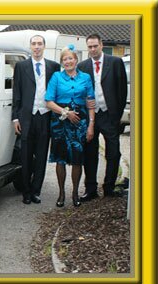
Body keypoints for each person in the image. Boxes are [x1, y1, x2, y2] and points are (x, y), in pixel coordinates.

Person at [78, 33, 128, 201]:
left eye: (95, 46)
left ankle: (109, 188)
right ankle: (90, 189)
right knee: (90, 153)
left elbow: (122, 90)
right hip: (91, 117)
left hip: (109, 115)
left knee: (113, 153)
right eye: (90, 47)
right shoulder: (83, 66)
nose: (92, 49)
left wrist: (116, 115)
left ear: (101, 45)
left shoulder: (115, 63)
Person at [45, 45, 95, 207]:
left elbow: (90, 102)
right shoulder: (56, 77)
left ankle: (75, 193)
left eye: (70, 58)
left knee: (77, 159)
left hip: (80, 123)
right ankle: (61, 193)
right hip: (60, 123)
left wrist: (91, 125)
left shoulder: (86, 77)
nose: (68, 62)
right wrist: (66, 113)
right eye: (65, 59)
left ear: (76, 60)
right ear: (62, 62)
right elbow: (48, 102)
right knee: (60, 159)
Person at [12, 35, 60, 205]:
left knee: (41, 157)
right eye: (34, 44)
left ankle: (36, 191)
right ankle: (25, 191)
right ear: (30, 46)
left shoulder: (54, 66)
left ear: (44, 47)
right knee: (25, 156)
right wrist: (15, 118)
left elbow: (57, 91)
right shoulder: (21, 66)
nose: (37, 47)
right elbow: (16, 92)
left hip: (45, 117)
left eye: (40, 44)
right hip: (27, 117)